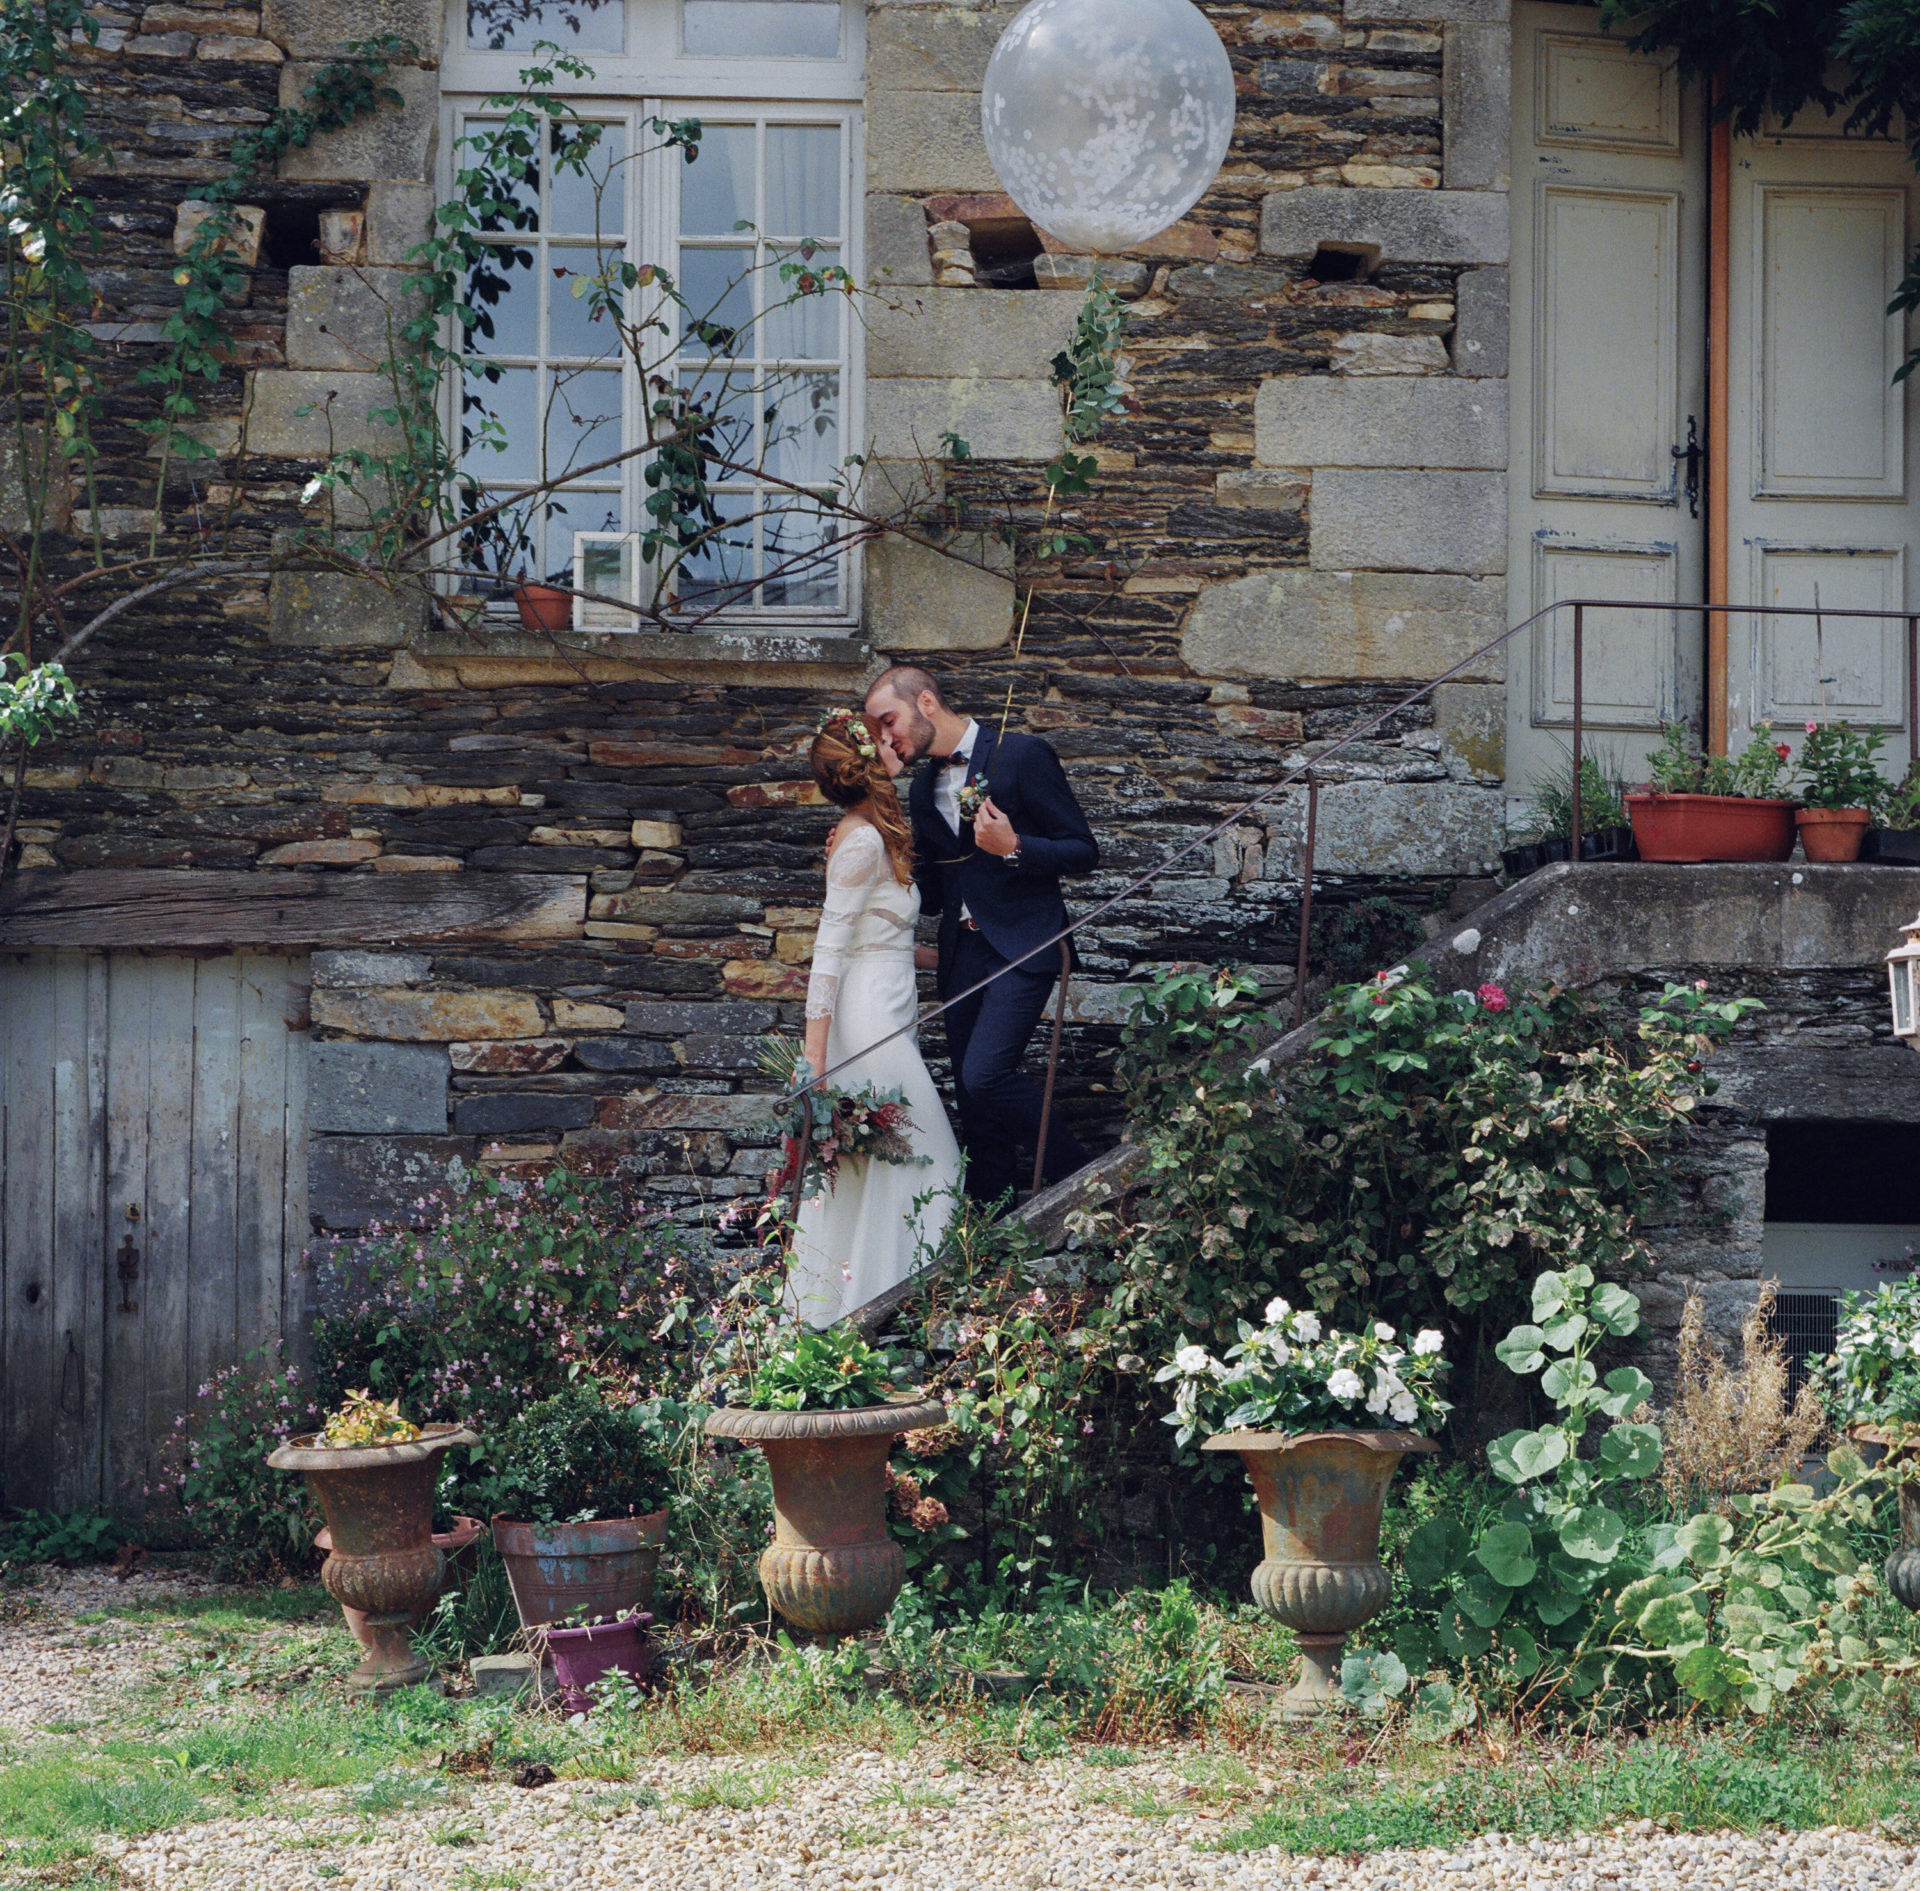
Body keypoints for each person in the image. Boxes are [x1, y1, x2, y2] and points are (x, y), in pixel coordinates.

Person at [863, 664, 1098, 1207]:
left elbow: (1083, 850)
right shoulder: (923, 788)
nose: (886, 738)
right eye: (878, 732)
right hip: (962, 953)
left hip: (1025, 944)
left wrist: (1014, 848)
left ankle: (1088, 1176)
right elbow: (939, 891)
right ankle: (990, 1214)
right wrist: (872, 855)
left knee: (986, 1075)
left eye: (888, 722)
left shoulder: (1021, 754)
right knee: (972, 1097)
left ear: (925, 702)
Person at [786, 709, 963, 1327]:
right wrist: (815, 1060)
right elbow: (829, 952)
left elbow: (880, 935)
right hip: (866, 1022)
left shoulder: (877, 832)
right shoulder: (859, 842)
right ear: (863, 763)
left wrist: (956, 954)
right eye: (881, 739)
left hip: (890, 1003)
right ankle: (911, 1307)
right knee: (933, 1157)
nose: (895, 742)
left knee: (879, 1172)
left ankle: (852, 1319)